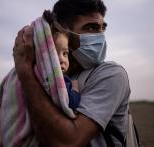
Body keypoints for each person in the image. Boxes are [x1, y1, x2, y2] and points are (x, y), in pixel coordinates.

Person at [13, 0, 130, 146]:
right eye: (91, 28)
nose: (100, 36)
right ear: (64, 32)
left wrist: (25, 72)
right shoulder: (52, 75)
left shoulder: (111, 74)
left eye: (102, 28)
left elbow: (67, 142)